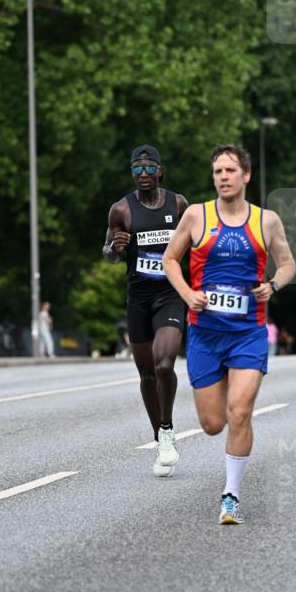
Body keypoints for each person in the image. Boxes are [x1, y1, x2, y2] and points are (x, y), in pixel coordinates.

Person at [162, 143, 295, 524]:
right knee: (212, 424)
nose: (223, 177)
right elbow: (170, 258)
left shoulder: (265, 221)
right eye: (218, 171)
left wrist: (273, 285)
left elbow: (286, 264)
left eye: (230, 171)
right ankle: (230, 444)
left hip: (248, 333)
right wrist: (187, 293)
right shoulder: (195, 216)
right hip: (204, 334)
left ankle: (231, 495)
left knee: (239, 412)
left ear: (246, 176)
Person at [103, 145, 188, 476]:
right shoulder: (121, 209)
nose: (142, 174)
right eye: (136, 169)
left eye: (148, 168)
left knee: (164, 364)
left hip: (170, 294)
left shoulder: (177, 204)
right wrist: (114, 248)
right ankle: (159, 437)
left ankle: (167, 430)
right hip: (138, 297)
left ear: (160, 171)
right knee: (147, 375)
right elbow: (108, 251)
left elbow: (195, 242)